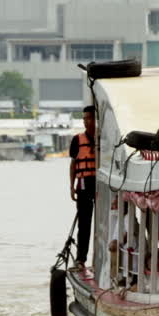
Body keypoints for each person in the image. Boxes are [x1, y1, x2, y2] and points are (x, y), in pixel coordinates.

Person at [69, 105, 97, 270]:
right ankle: (81, 259)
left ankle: (102, 258)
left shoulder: (104, 138)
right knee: (84, 223)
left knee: (104, 223)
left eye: (89, 118)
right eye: (84, 119)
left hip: (100, 184)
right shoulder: (77, 140)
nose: (86, 122)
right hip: (84, 183)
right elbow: (73, 165)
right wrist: (71, 187)